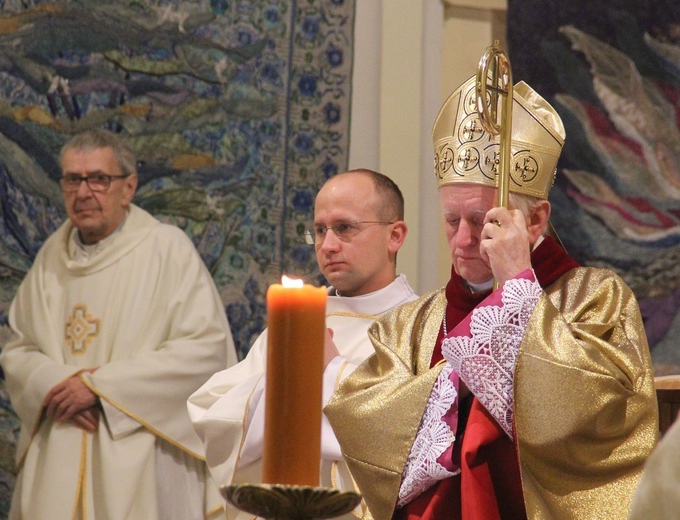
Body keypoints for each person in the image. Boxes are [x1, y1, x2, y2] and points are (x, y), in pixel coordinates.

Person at [324, 76, 659, 520]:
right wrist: (454, 381)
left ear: (535, 220)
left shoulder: (595, 298)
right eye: (450, 220)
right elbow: (363, 422)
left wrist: (517, 284)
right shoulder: (412, 323)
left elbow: (599, 423)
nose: (462, 239)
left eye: (481, 220)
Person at [0, 129, 237, 520]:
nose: (83, 192)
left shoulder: (166, 249)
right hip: (58, 443)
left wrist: (100, 388)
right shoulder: (50, 259)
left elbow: (204, 351)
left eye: (98, 179)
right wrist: (55, 383)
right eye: (72, 179)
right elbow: (18, 348)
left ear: (128, 188)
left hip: (141, 455)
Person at [188, 169, 418, 519]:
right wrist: (287, 381)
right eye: (320, 230)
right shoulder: (296, 321)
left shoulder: (422, 326)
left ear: (395, 236)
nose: (327, 245)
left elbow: (409, 435)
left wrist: (329, 372)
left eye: (345, 228)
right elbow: (212, 411)